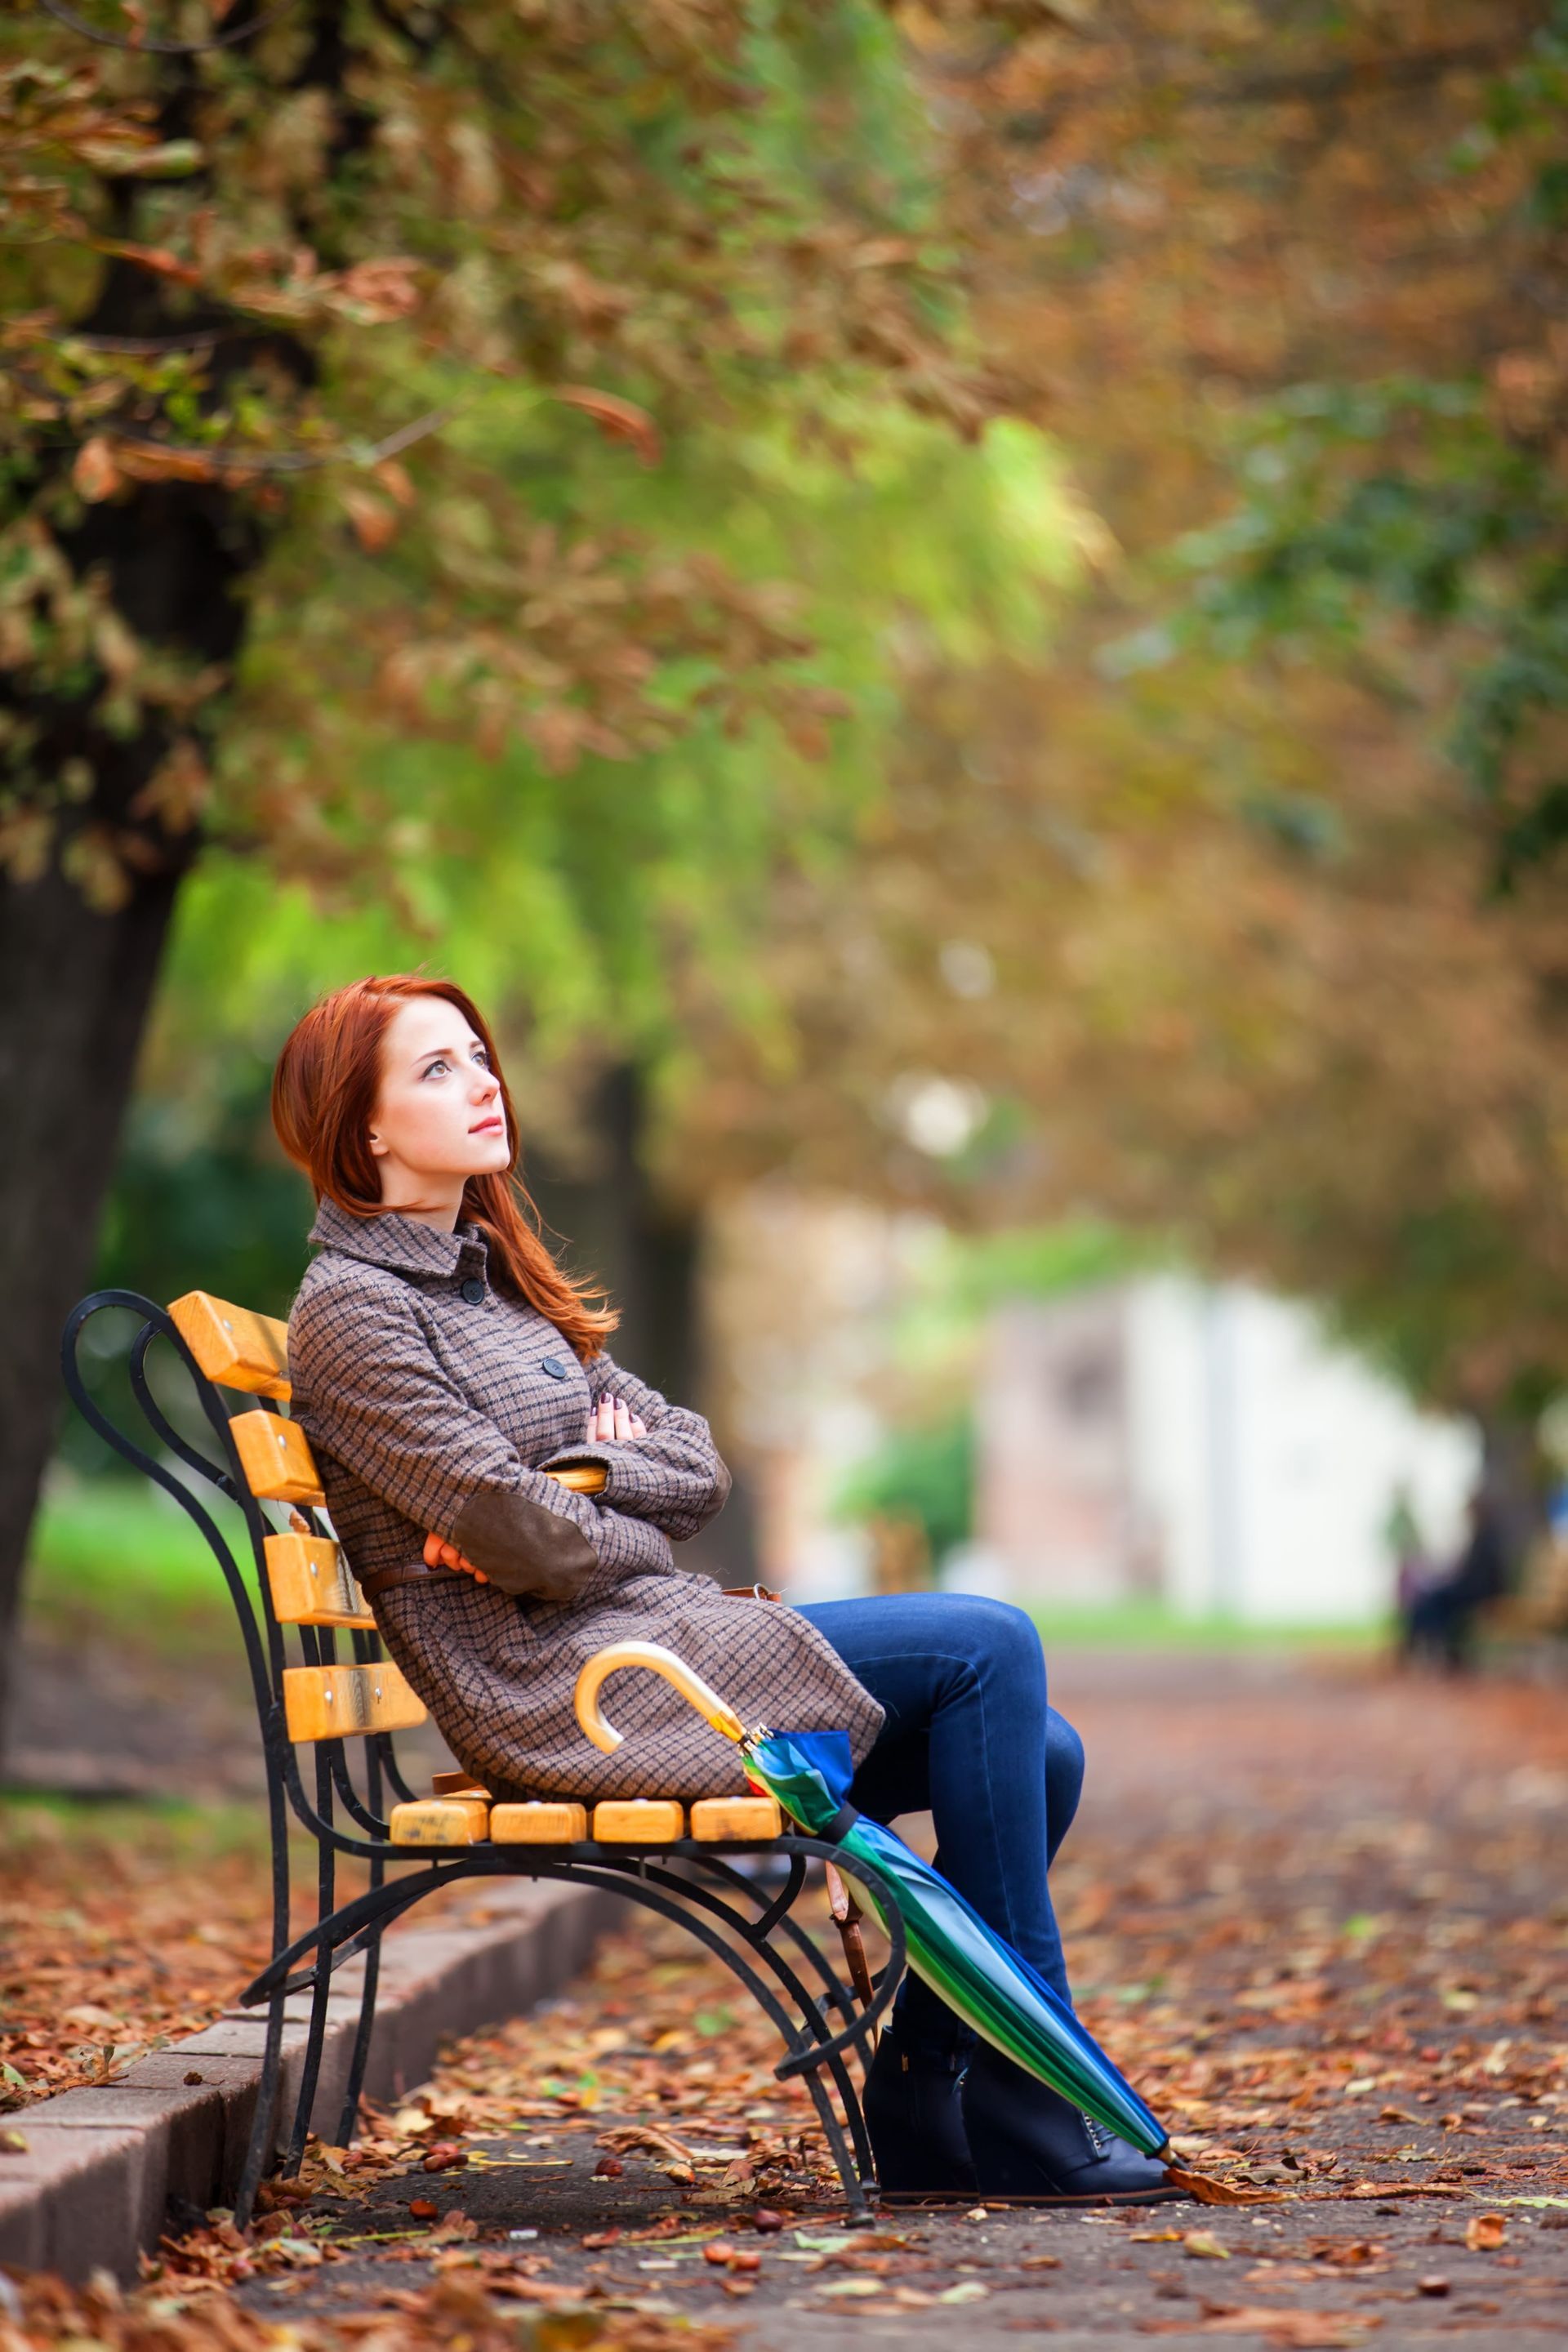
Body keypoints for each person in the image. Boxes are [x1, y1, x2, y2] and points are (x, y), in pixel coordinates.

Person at [271, 973, 1178, 2206]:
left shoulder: (496, 1282)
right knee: (988, 1647)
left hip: (642, 1641)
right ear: (363, 1125)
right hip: (568, 1691)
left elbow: (692, 1461)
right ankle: (1032, 2096)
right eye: (437, 1068)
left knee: (1047, 1755)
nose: (484, 1081)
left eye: (480, 1056)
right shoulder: (357, 1313)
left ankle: (923, 2096)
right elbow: (520, 1539)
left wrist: (581, 1478)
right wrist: (583, 1510)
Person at [1405, 1488, 1511, 1672]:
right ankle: (1430, 1646)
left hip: (1479, 1594)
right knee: (1432, 1598)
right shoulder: (1481, 1537)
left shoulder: (1487, 1539)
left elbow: (1483, 1578)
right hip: (1472, 1589)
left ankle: (1439, 1649)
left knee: (1436, 1600)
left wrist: (1457, 1583)